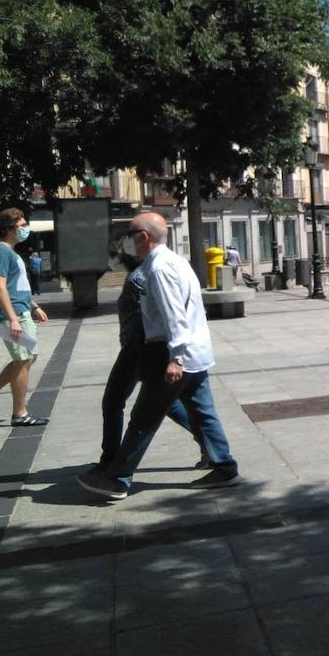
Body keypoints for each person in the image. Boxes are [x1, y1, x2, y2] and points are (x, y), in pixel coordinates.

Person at [77, 212, 239, 499]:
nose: (126, 239)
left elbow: (174, 316)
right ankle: (225, 468)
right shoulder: (176, 261)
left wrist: (175, 358)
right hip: (195, 352)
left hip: (173, 354)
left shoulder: (159, 269)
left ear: (143, 237)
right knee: (204, 413)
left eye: (130, 233)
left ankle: (118, 479)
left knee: (144, 418)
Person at [94, 240, 205, 473]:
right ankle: (209, 446)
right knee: (168, 403)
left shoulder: (138, 278)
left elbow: (162, 315)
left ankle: (111, 462)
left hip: (137, 349)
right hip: (142, 348)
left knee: (115, 401)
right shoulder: (144, 273)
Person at [0, 208, 49, 427]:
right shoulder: (0, 251)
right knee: (23, 359)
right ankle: (20, 414)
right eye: (21, 224)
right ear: (8, 229)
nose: (25, 228)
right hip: (11, 316)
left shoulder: (10, 252)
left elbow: (16, 287)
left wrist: (33, 305)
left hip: (20, 311)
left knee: (27, 357)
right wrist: (13, 318)